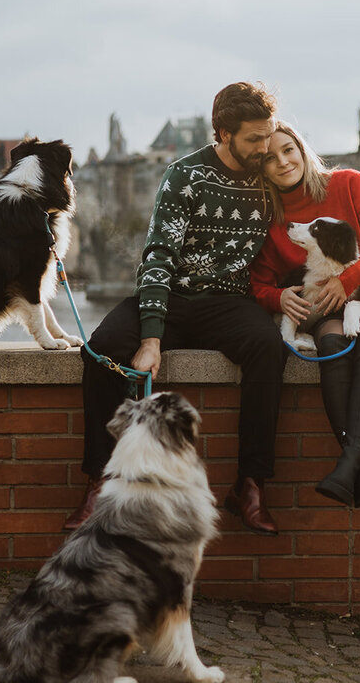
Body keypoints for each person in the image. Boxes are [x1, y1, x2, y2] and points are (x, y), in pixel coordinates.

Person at [65, 82, 286, 535]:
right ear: (222, 134)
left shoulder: (270, 176)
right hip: (174, 297)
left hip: (230, 302)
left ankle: (250, 484)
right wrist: (151, 337)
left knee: (268, 347)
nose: (265, 148)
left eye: (269, 136)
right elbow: (159, 254)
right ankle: (99, 481)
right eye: (253, 139)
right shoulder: (185, 175)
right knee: (102, 347)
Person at [249, 121, 360, 507]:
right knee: (332, 343)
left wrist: (350, 279)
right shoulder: (270, 219)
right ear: (260, 169)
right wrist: (278, 298)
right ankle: (359, 469)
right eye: (269, 158)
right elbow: (259, 282)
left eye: (288, 150)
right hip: (331, 306)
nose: (282, 162)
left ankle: (348, 465)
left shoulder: (348, 183)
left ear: (301, 150)